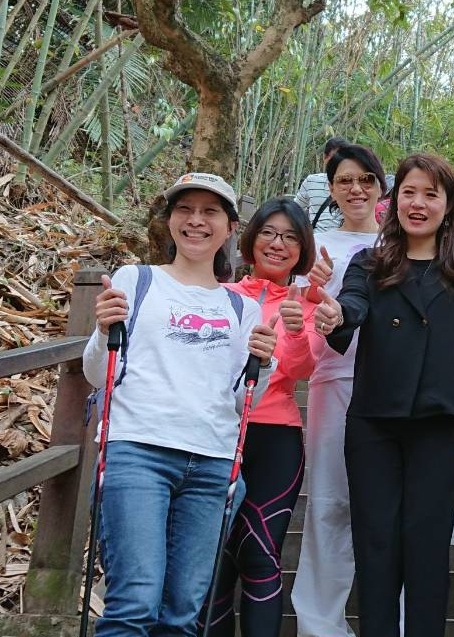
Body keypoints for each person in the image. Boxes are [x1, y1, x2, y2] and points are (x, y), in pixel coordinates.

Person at [82, 172, 279, 637]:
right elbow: (98, 374)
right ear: (169, 221)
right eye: (184, 210)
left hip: (212, 462)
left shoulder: (241, 309)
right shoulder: (137, 280)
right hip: (138, 451)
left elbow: (240, 401)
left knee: (182, 614)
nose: (196, 221)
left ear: (231, 228)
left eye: (210, 212)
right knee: (134, 602)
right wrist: (100, 330)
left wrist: (263, 364)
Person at [314, 152, 454, 637]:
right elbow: (350, 307)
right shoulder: (370, 263)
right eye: (409, 192)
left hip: (438, 427)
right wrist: (334, 316)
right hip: (374, 423)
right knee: (376, 547)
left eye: (431, 194)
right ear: (394, 200)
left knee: (427, 549)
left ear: (448, 204)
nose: (418, 204)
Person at [200, 197, 318, 637]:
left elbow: (303, 370)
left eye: (290, 236)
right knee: (215, 557)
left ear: (301, 249)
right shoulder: (220, 296)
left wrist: (296, 332)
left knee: (260, 551)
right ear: (250, 240)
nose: (278, 243)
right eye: (269, 232)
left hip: (276, 437)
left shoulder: (307, 307)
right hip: (217, 434)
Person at [290, 144, 388, 637]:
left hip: (394, 391)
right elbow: (291, 320)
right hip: (333, 379)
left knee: (390, 509)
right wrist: (311, 287)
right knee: (329, 502)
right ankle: (320, 625)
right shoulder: (313, 246)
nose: (356, 189)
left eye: (366, 179)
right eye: (346, 180)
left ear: (381, 188)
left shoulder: (402, 242)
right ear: (330, 188)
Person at [294, 136, 350, 232]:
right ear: (325, 157)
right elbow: (295, 210)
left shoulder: (355, 187)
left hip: (344, 243)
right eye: (334, 159)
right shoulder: (311, 181)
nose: (338, 164)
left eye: (343, 160)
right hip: (316, 243)